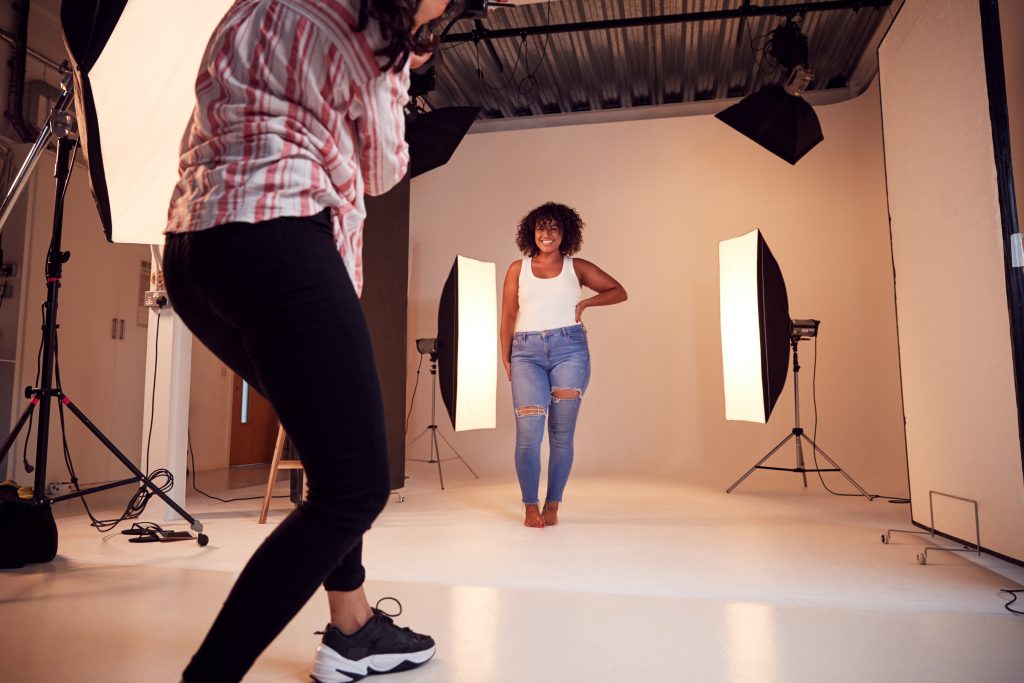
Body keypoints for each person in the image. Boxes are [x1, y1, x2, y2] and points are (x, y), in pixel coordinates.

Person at [162, 1, 459, 681]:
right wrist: (402, 67)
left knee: (329, 454)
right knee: (356, 487)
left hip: (192, 250)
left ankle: (351, 627)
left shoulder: (257, 3)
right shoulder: (375, 32)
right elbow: (385, 169)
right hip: (277, 237)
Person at [499, 203, 628, 528]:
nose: (547, 234)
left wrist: (585, 302)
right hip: (526, 352)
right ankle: (530, 506)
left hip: (568, 350)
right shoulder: (518, 268)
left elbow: (618, 291)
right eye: (542, 228)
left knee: (561, 434)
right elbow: (508, 317)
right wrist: (506, 356)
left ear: (565, 233)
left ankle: (553, 503)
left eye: (555, 228)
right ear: (532, 232)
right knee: (528, 434)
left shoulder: (577, 267)